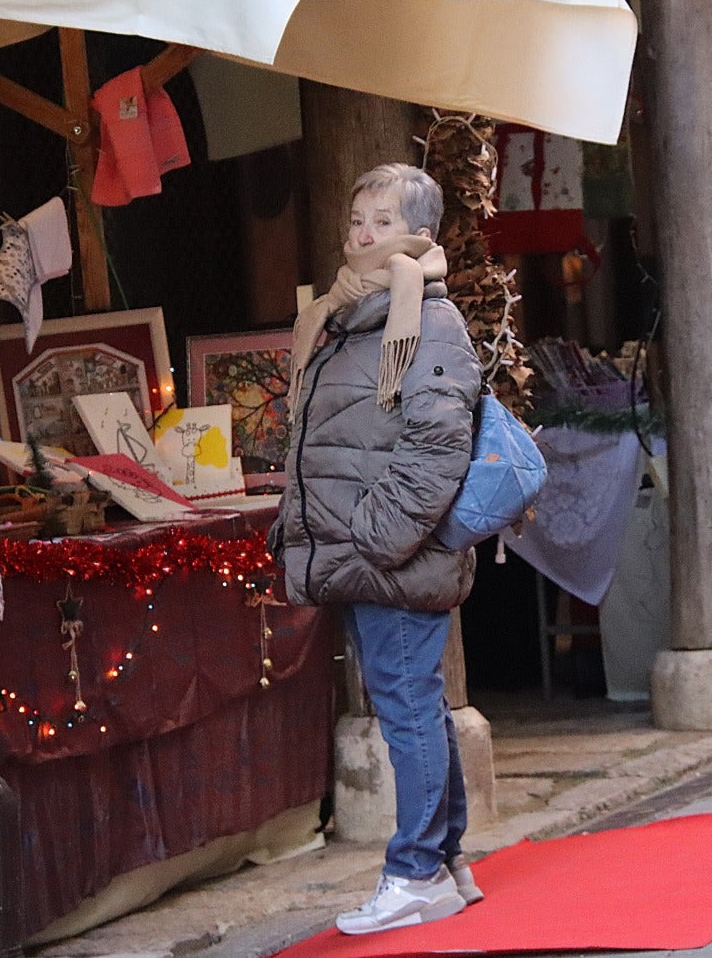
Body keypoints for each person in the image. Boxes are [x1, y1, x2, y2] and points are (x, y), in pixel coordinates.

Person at [269, 163, 484, 934]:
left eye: (382, 221)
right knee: (415, 702)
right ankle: (448, 863)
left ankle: (415, 870)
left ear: (419, 232)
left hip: (391, 557)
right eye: (357, 219)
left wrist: (373, 541)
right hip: (360, 555)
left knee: (405, 708)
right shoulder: (345, 315)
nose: (362, 234)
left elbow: (436, 445)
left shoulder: (426, 317)